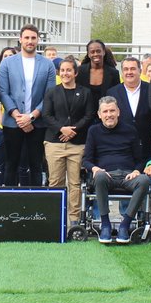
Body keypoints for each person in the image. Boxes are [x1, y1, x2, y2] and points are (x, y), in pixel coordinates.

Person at [82, 97, 150, 244]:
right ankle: (105, 225)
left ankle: (125, 225)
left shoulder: (130, 130)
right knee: (99, 176)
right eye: (105, 111)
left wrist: (137, 171)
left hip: (128, 176)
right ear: (99, 114)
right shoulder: (93, 131)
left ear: (118, 112)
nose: (109, 114)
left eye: (112, 110)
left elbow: (140, 159)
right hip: (105, 176)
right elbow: (86, 160)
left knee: (144, 180)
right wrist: (95, 168)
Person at [0, 25, 53, 186]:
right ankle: (9, 205)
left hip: (38, 123)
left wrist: (32, 116)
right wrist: (18, 116)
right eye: (27, 37)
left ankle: (35, 205)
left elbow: (48, 95)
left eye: (33, 38)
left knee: (36, 165)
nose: (30, 41)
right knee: (11, 165)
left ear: (38, 40)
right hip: (12, 122)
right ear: (20, 39)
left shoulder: (47, 65)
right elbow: (2, 91)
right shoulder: (7, 63)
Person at [43, 58, 93, 224]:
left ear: (75, 73)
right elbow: (47, 115)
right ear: (59, 72)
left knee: (75, 183)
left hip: (77, 144)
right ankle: (54, 218)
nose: (65, 73)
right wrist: (62, 129)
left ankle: (73, 220)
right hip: (54, 143)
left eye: (69, 70)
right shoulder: (51, 92)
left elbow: (88, 116)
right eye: (62, 70)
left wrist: (73, 130)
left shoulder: (85, 92)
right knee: (55, 182)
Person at [107, 56, 151, 157]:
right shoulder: (112, 92)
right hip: (121, 145)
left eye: (133, 69)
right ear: (122, 73)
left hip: (146, 145)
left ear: (140, 71)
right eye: (126, 69)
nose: (129, 72)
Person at [75, 39, 120, 110]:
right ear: (88, 54)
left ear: (104, 52)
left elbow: (116, 97)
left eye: (98, 51)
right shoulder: (79, 72)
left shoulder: (114, 73)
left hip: (106, 116)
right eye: (92, 52)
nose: (95, 54)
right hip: (84, 115)